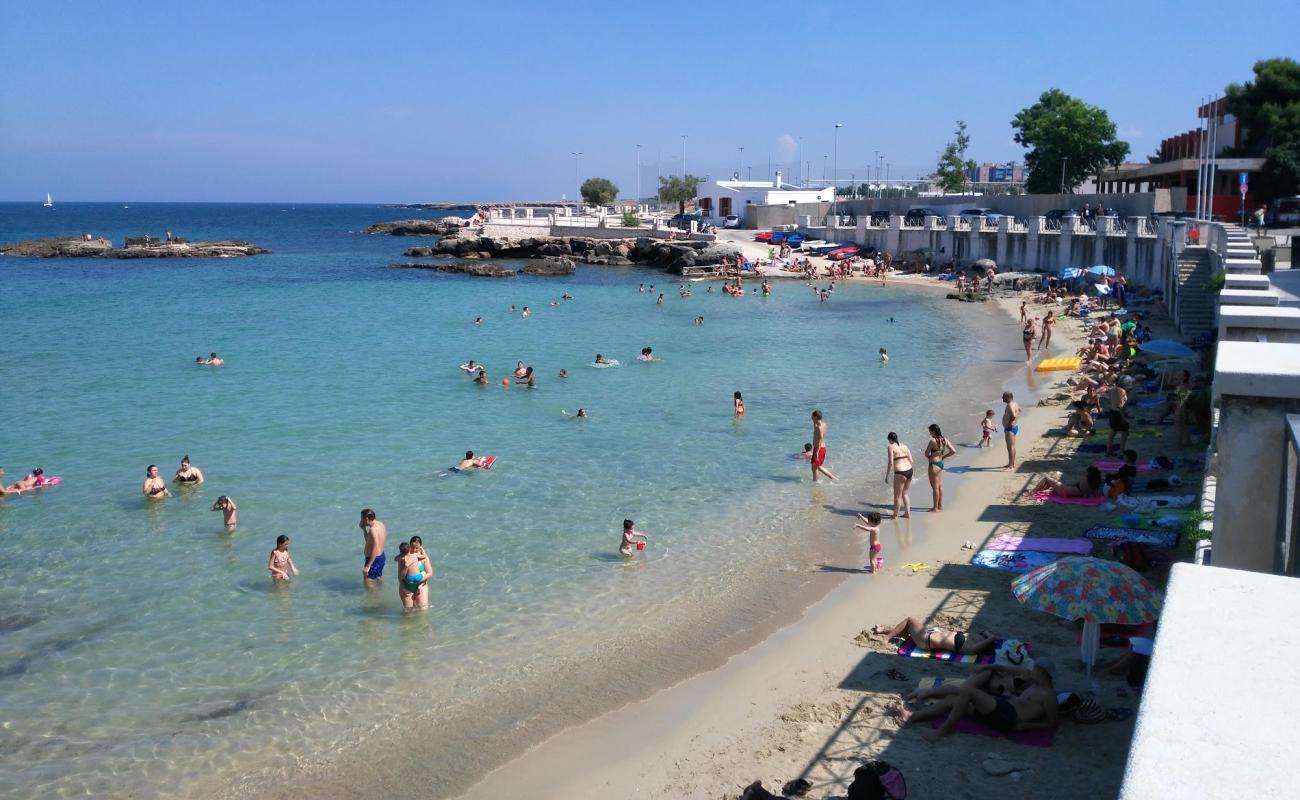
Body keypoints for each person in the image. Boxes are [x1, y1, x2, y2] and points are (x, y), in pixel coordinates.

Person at [903, 659, 1058, 742]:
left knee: (968, 691)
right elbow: (1004, 669)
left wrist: (1026, 726)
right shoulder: (1034, 683)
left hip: (1008, 717)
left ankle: (942, 730)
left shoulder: (1048, 695)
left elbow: (1052, 723)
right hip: (999, 710)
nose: (1033, 672)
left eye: (1037, 670)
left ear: (1045, 674)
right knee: (952, 700)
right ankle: (912, 717)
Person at [872, 616, 996, 656]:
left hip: (926, 640)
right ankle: (882, 630)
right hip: (929, 635)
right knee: (908, 629)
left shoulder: (972, 648)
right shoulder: (972, 641)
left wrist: (989, 637)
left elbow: (991, 637)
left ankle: (886, 638)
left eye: (984, 639)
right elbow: (986, 633)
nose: (982, 637)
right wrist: (956, 632)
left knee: (910, 620)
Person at [924, 424, 957, 512]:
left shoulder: (932, 441)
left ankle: (935, 508)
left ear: (933, 432)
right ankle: (940, 505)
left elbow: (926, 453)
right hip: (940, 463)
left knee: (935, 488)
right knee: (940, 486)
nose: (930, 434)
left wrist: (930, 457)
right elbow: (953, 451)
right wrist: (944, 457)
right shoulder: (944, 439)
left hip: (933, 464)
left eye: (930, 432)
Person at [885, 432, 913, 518]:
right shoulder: (904, 446)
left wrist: (887, 475)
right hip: (909, 471)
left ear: (890, 439)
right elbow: (911, 460)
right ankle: (907, 513)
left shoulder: (891, 447)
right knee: (905, 493)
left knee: (897, 496)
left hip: (900, 472)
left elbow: (891, 462)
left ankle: (895, 515)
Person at [1031, 465, 1104, 498]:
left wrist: (1063, 485)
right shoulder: (1096, 482)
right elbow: (1095, 493)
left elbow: (1072, 484)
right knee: (1052, 482)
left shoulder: (1085, 479)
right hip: (1073, 493)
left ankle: (1033, 492)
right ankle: (1040, 489)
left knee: (1046, 478)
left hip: (1065, 491)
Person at [360, 508, 387, 582]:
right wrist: (364, 529)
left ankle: (374, 594)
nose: (361, 521)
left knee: (367, 580)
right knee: (378, 578)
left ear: (366, 518)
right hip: (381, 556)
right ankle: (381, 591)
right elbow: (369, 542)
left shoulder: (373, 530)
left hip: (374, 559)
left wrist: (368, 565)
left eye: (362, 518)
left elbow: (376, 547)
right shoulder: (381, 524)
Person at [810, 409, 837, 482]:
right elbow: (816, 428)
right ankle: (833, 479)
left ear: (815, 417)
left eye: (812, 417)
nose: (811, 418)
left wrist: (817, 452)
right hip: (821, 448)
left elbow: (820, 439)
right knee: (816, 467)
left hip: (819, 448)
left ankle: (816, 482)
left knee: (815, 467)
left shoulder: (819, 428)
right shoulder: (823, 424)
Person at [1106, 381, 1131, 456]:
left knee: (1113, 431)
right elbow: (1120, 406)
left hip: (1112, 412)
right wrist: (1123, 418)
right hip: (1118, 414)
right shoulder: (1122, 391)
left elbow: (1111, 402)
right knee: (1125, 433)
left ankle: (1109, 450)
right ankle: (1121, 451)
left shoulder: (1112, 390)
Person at [1002, 392, 1021, 470]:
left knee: (1010, 447)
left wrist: (1011, 422)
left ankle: (1011, 466)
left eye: (1003, 396)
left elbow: (1013, 415)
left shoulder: (1010, 405)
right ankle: (1011, 463)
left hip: (1010, 428)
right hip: (1013, 427)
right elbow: (1019, 410)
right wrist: (1015, 420)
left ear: (1008, 397)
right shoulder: (1015, 403)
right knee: (1011, 447)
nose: (1002, 398)